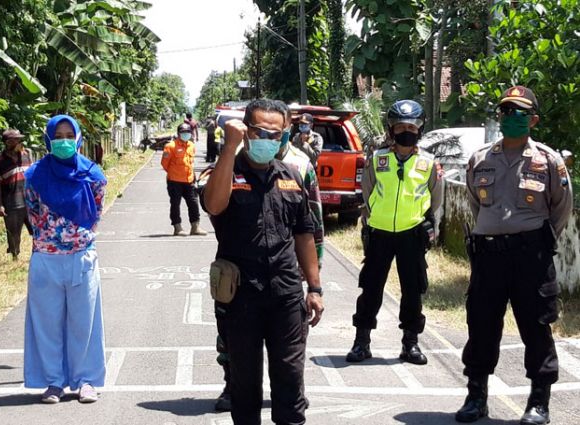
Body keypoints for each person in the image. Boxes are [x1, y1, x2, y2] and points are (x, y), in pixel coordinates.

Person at [455, 86, 573, 424]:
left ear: (533, 119)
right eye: (506, 111)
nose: (511, 118)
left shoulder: (548, 161)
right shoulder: (480, 159)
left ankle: (539, 402)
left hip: (529, 257)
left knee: (536, 327)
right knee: (481, 325)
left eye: (519, 113)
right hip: (488, 256)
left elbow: (560, 209)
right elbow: (476, 204)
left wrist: (533, 239)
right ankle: (476, 397)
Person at [202, 98, 324, 425]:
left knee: (290, 382)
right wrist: (228, 149)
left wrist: (314, 287)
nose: (267, 140)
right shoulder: (226, 173)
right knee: (244, 386)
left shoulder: (291, 177)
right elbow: (214, 205)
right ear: (245, 131)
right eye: (259, 132)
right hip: (240, 296)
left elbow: (304, 234)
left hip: (285, 296)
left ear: (285, 135)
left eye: (275, 134)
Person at [346, 100, 443, 366]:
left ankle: (410, 343)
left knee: (413, 290)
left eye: (411, 127)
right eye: (400, 126)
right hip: (379, 234)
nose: (406, 131)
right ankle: (361, 342)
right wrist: (372, 218)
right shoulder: (377, 160)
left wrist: (424, 222)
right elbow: (368, 193)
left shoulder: (428, 163)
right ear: (391, 130)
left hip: (411, 234)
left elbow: (435, 198)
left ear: (419, 130)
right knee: (371, 288)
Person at [23, 114, 107, 404]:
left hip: (81, 257)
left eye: (69, 136)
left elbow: (95, 213)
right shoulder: (34, 175)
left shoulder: (93, 175)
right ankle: (54, 382)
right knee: (47, 324)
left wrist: (74, 238)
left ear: (79, 139)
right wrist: (52, 239)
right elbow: (32, 214)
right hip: (46, 258)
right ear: (48, 139)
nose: (64, 141)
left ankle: (86, 381)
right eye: (57, 136)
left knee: (84, 322)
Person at [0, 129, 33, 260]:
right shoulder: (0, 162)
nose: (16, 142)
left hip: (29, 200)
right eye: (12, 140)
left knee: (37, 230)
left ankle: (39, 254)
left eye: (18, 139)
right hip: (11, 202)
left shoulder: (27, 155)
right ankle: (15, 256)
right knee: (14, 233)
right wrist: (0, 206)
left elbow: (33, 176)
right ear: (6, 142)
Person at [161, 122, 207, 236]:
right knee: (175, 204)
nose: (186, 134)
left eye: (188, 132)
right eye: (183, 133)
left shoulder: (191, 145)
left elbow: (190, 163)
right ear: (178, 133)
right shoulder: (170, 146)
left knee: (193, 203)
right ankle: (177, 228)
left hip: (189, 180)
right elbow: (164, 164)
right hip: (174, 181)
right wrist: (174, 173)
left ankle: (195, 227)